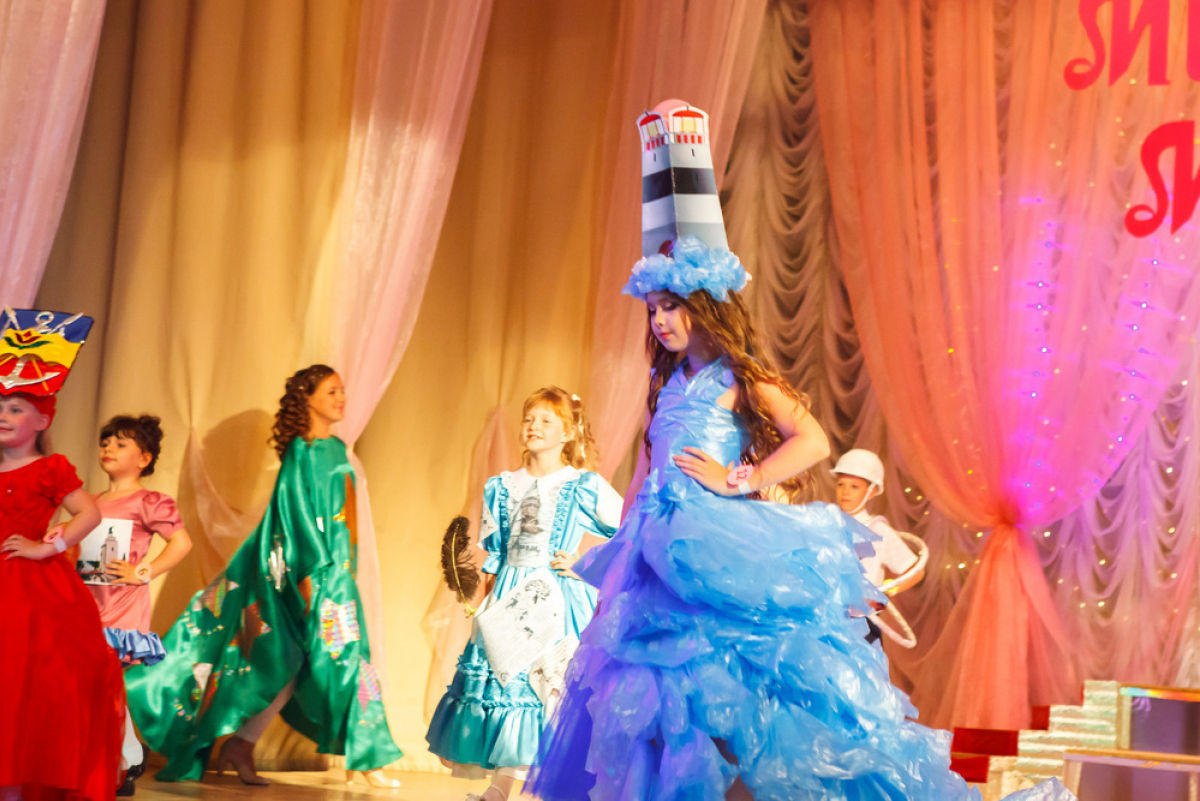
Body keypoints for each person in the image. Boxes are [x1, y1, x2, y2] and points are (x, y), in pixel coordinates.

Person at [527, 235, 1073, 799]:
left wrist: (741, 478)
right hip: (653, 548)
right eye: (652, 310)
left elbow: (812, 439)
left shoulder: (738, 378)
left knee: (726, 677)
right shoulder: (665, 385)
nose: (659, 320)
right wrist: (621, 543)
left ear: (705, 305)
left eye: (671, 305)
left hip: (707, 543)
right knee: (651, 690)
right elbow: (648, 472)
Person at [125, 364, 403, 788]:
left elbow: (343, 518)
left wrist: (346, 569)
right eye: (331, 391)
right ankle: (365, 755)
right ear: (307, 398)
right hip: (310, 575)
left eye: (342, 390)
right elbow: (296, 520)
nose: (341, 398)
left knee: (311, 661)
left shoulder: (337, 448)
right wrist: (309, 578)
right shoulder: (302, 452)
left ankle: (247, 743)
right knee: (314, 658)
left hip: (338, 576)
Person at [426, 387, 623, 801]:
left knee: (547, 689)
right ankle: (500, 788)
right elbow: (497, 553)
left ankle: (558, 787)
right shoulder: (502, 486)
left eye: (546, 420)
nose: (534, 426)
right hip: (509, 595)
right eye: (529, 419)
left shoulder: (581, 485)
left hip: (555, 599)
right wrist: (484, 601)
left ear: (567, 433)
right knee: (507, 686)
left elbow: (629, 528)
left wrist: (584, 561)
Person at [0, 308, 125, 801]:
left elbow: (89, 513)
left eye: (16, 408)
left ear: (42, 419)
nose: (4, 415)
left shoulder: (48, 467)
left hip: (27, 590)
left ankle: (15, 786)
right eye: (0, 405)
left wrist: (45, 547)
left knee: (23, 686)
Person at [84, 414, 193, 794]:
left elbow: (181, 543)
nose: (109, 449)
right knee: (96, 685)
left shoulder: (148, 502)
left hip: (121, 606)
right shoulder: (90, 502)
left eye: (121, 444)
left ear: (144, 458)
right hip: (89, 605)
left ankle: (124, 759)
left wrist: (142, 572)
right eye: (105, 442)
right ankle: (127, 756)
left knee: (106, 680)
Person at [831, 449, 925, 646]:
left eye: (854, 486)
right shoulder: (827, 524)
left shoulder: (878, 530)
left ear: (871, 491)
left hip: (862, 623)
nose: (845, 491)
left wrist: (885, 592)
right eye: (841, 484)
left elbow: (916, 572)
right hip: (827, 619)